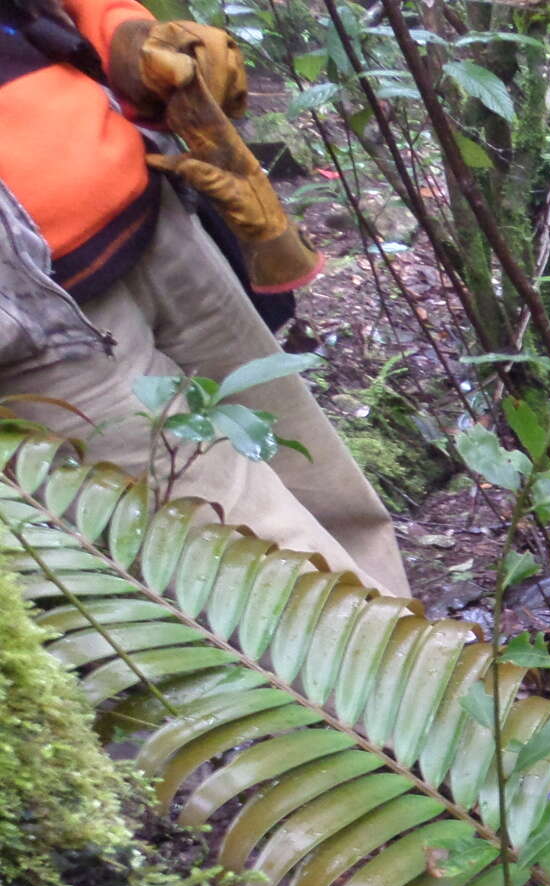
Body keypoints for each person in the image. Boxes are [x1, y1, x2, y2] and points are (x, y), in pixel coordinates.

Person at [0, 0, 410, 596]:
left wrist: (126, 38)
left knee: (328, 497)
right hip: (43, 327)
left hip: (156, 219)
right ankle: (402, 688)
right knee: (263, 575)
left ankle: (448, 669)